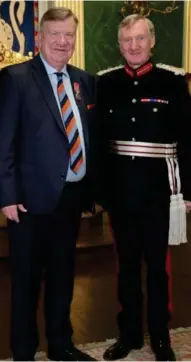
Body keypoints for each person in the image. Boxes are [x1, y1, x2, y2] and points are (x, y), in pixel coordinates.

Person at [0, 7, 96, 361]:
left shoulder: (84, 80)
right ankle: (23, 352)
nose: (62, 41)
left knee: (62, 277)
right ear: (39, 37)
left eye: (69, 35)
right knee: (25, 283)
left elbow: (88, 135)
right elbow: (3, 141)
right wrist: (7, 195)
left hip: (70, 199)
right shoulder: (16, 78)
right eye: (54, 34)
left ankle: (61, 345)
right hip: (28, 202)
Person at [96, 14, 191, 361]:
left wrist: (188, 191)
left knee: (158, 268)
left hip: (158, 192)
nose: (133, 46)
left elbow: (187, 140)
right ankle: (130, 335)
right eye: (126, 41)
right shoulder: (105, 84)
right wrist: (101, 193)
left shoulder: (173, 82)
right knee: (127, 267)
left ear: (152, 41)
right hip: (121, 193)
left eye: (139, 39)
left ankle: (162, 337)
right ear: (119, 46)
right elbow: (99, 141)